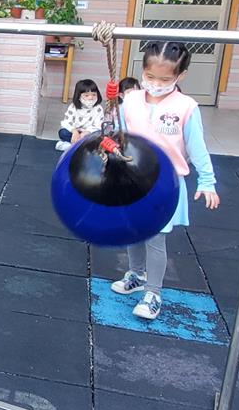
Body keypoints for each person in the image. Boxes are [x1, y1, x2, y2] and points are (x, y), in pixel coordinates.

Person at [111, 41, 220, 320]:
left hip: (164, 183)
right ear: (142, 71)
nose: (156, 84)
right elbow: (120, 133)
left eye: (164, 79)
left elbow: (197, 146)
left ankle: (153, 293)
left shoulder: (185, 107)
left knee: (155, 238)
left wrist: (207, 181)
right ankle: (136, 275)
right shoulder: (131, 100)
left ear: (180, 76)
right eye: (150, 77)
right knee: (134, 230)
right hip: (134, 177)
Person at [56, 79, 104, 151]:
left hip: (89, 133)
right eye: (86, 95)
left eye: (94, 95)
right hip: (75, 133)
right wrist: (74, 131)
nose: (91, 98)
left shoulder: (98, 109)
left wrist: (86, 132)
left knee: (99, 136)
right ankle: (81, 146)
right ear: (79, 96)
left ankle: (72, 146)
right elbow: (67, 121)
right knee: (63, 133)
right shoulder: (73, 107)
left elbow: (98, 125)